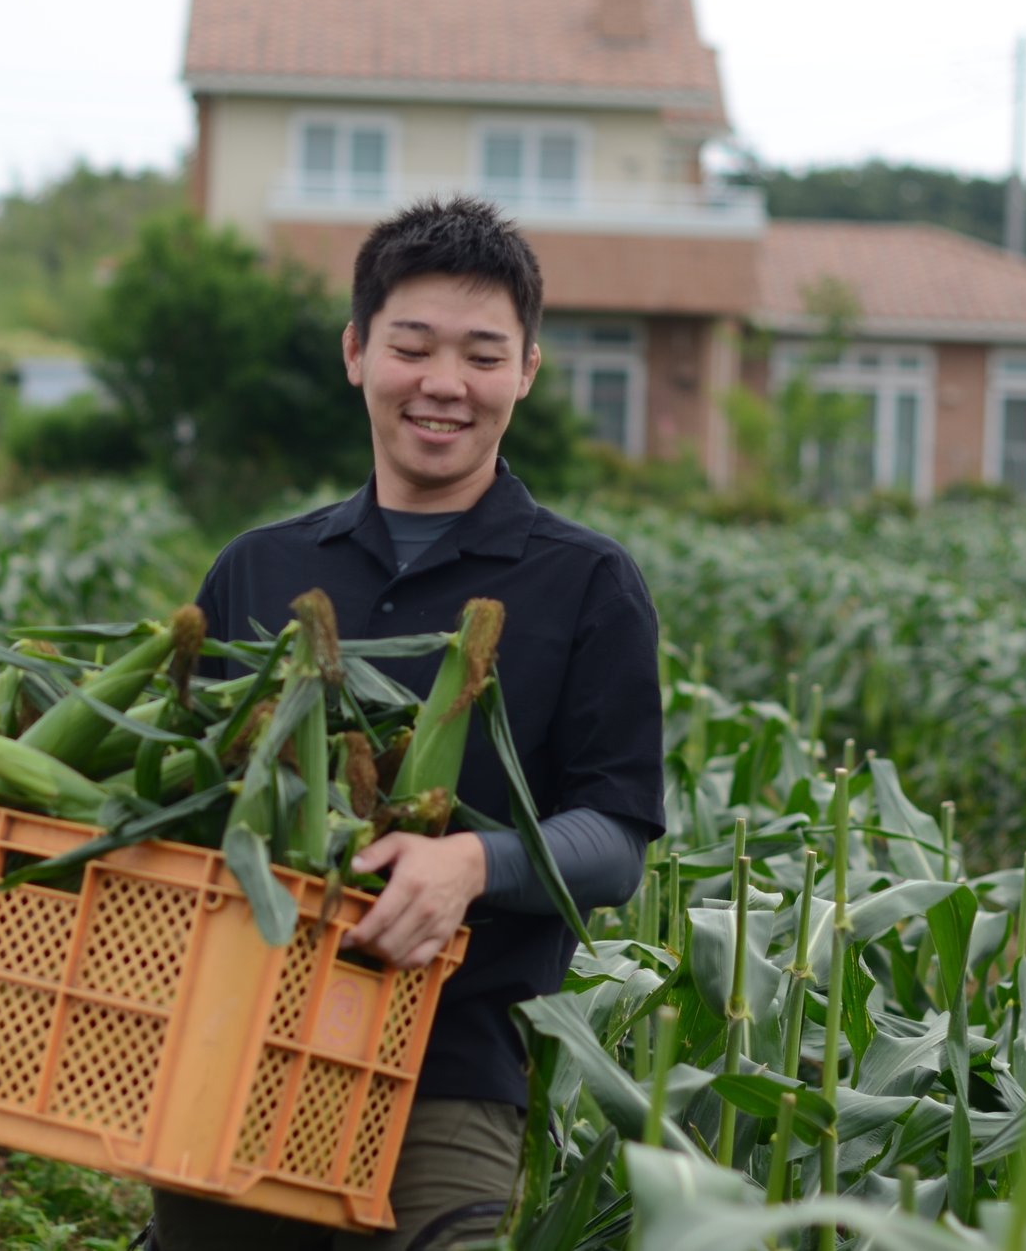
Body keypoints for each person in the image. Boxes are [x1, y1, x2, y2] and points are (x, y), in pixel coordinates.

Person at [148, 195, 665, 1251]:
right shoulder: (261, 566)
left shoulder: (585, 583)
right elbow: (186, 799)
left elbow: (613, 839)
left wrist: (473, 861)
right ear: (355, 352)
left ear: (524, 369)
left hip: (449, 1052)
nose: (442, 383)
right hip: (237, 1031)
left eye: (481, 353)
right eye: (411, 345)